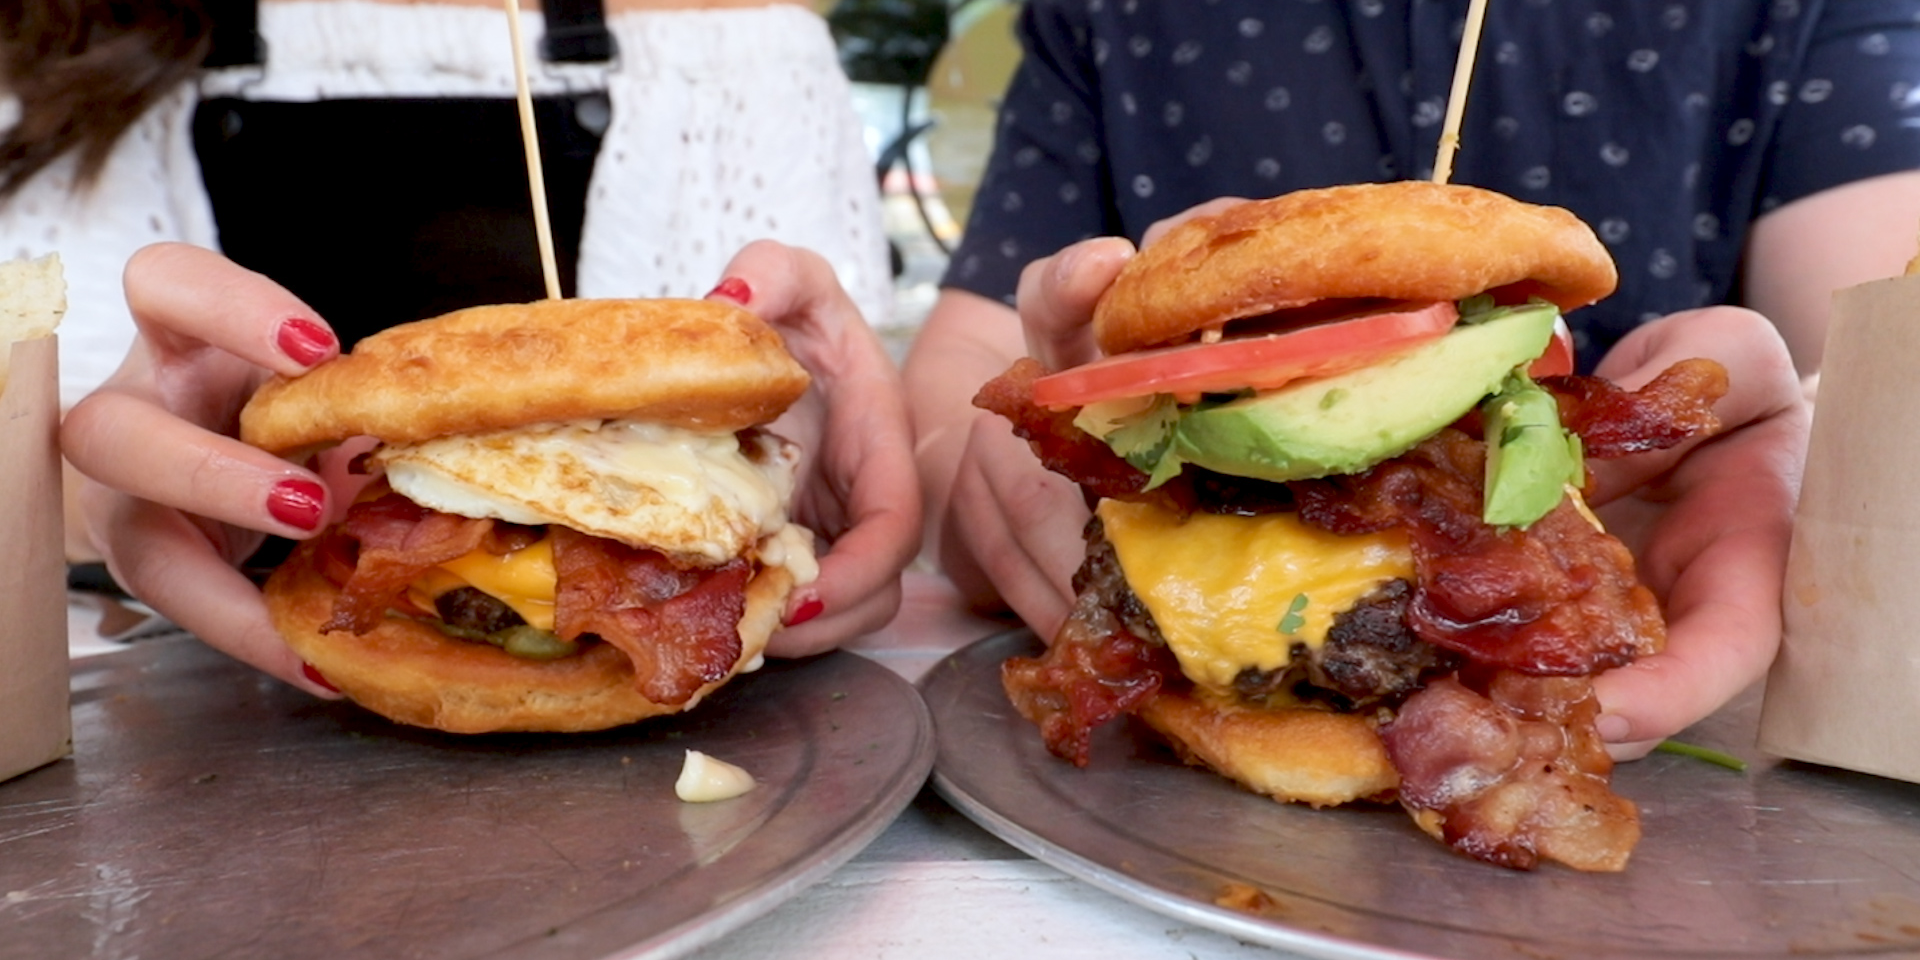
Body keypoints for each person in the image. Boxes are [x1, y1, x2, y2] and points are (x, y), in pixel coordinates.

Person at [906, 0, 1920, 757]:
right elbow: (963, 360)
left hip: (1652, 580)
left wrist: (1816, 439)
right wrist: (967, 471)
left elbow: (1885, 316)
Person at [19, 0, 921, 695]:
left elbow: (788, 379)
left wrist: (771, 477)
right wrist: (82, 497)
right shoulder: (49, 34)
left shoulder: (734, 29)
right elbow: (53, 458)